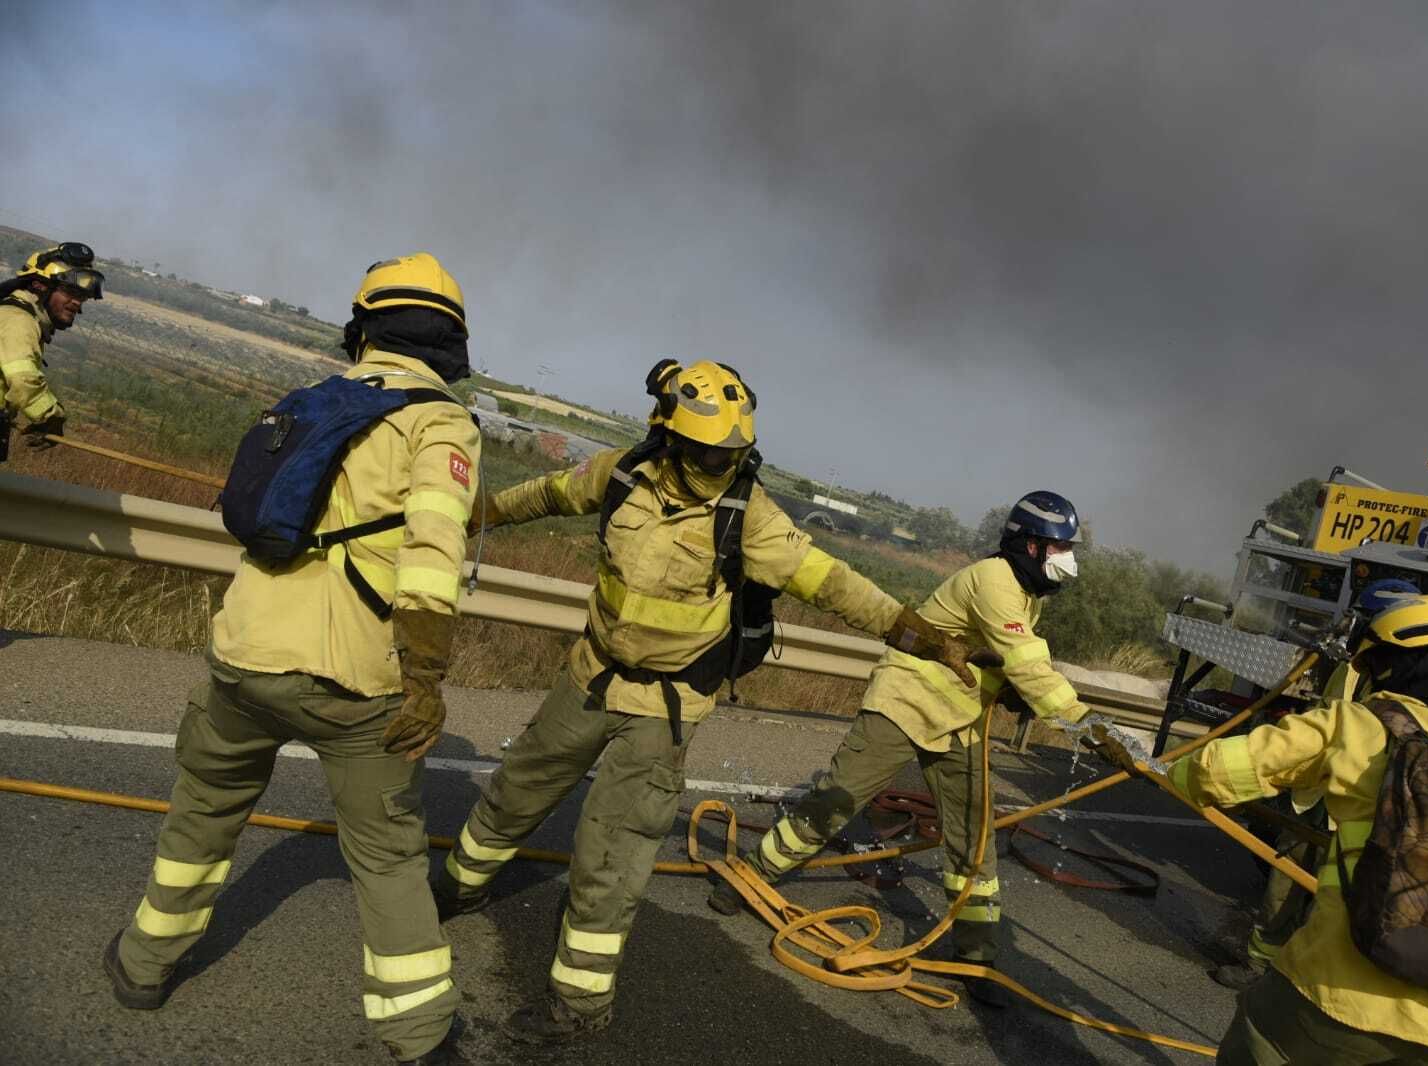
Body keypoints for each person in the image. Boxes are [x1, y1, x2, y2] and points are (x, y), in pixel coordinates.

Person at [432, 358, 984, 1044]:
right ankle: (458, 887)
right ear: (668, 435)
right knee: (515, 793)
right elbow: (543, 494)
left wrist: (925, 639)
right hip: (590, 677)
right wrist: (476, 513)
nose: (717, 465)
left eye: (730, 455)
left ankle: (578, 1006)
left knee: (612, 851)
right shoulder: (622, 474)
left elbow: (838, 586)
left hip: (665, 709)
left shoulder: (749, 519)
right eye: (705, 452)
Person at [103, 253, 481, 1065]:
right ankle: (418, 1035)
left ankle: (143, 965)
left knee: (202, 814)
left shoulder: (311, 400)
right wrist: (424, 679)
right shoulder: (440, 422)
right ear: (451, 342)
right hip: (356, 680)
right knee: (386, 861)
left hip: (244, 655)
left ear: (365, 327)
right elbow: (432, 555)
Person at [1104, 594, 1428, 1065]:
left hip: (1334, 994)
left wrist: (1169, 775)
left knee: (1258, 1042)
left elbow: (1215, 773)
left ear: (1391, 665)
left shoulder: (1353, 726)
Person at [707, 490, 1093, 1008]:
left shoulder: (1027, 594)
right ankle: (748, 878)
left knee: (973, 840)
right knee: (837, 800)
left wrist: (1015, 692)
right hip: (906, 702)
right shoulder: (995, 580)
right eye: (1058, 548)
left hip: (958, 720)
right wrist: (1090, 730)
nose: (1066, 560)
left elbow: (1002, 659)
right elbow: (1026, 661)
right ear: (1028, 546)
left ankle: (974, 957)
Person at [1209, 578, 1420, 991]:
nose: (1353, 626)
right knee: (1283, 881)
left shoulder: (1411, 682)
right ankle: (1260, 964)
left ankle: (1306, 980)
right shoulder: (1349, 666)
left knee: (1337, 899)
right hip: (1315, 794)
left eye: (1363, 618)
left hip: (1359, 806)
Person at [0, 241, 103, 455]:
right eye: (69, 292)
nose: (77, 303)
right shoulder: (19, 320)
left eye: (81, 296)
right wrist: (50, 416)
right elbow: (22, 379)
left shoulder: (15, 314)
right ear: (40, 286)